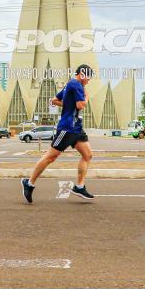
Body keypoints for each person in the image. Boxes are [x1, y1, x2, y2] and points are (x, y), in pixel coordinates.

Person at [22, 65, 95, 203]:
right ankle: (29, 183)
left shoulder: (70, 85)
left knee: (87, 155)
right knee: (50, 157)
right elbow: (80, 105)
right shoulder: (77, 84)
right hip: (67, 128)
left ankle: (79, 186)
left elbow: (54, 100)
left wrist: (68, 104)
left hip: (77, 128)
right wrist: (86, 98)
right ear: (82, 74)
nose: (89, 80)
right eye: (88, 76)